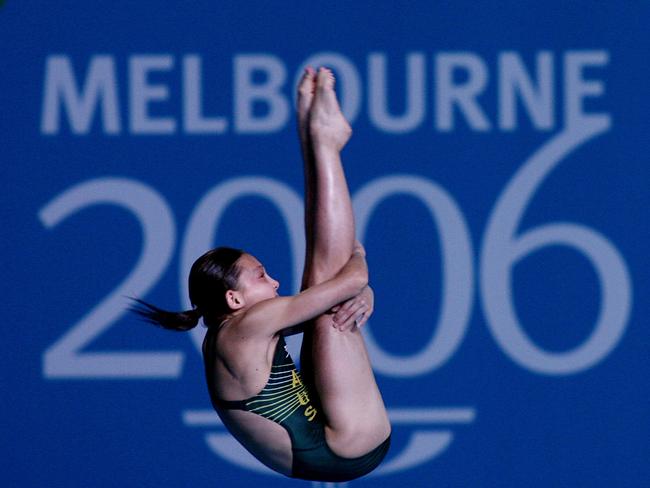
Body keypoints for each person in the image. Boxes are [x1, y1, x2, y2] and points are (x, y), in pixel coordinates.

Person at [133, 67, 391, 482]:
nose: (273, 283)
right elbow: (348, 281)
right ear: (233, 299)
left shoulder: (230, 333)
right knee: (330, 291)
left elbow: (339, 292)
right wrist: (360, 261)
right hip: (346, 445)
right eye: (261, 276)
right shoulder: (248, 324)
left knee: (324, 294)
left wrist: (361, 292)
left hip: (324, 439)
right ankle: (321, 143)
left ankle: (318, 140)